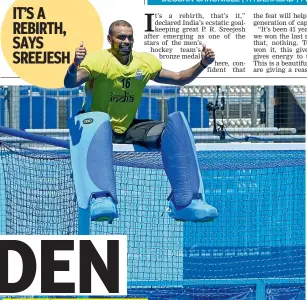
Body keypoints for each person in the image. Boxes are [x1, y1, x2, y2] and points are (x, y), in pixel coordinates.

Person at [64, 20, 218, 223]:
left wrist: (202, 65)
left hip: (127, 127)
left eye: (129, 37)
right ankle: (101, 198)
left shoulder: (144, 63)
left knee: (175, 128)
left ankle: (185, 202)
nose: (126, 41)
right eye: (121, 37)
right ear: (110, 39)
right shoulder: (98, 61)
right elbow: (69, 83)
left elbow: (180, 78)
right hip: (95, 128)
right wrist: (75, 64)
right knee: (101, 119)